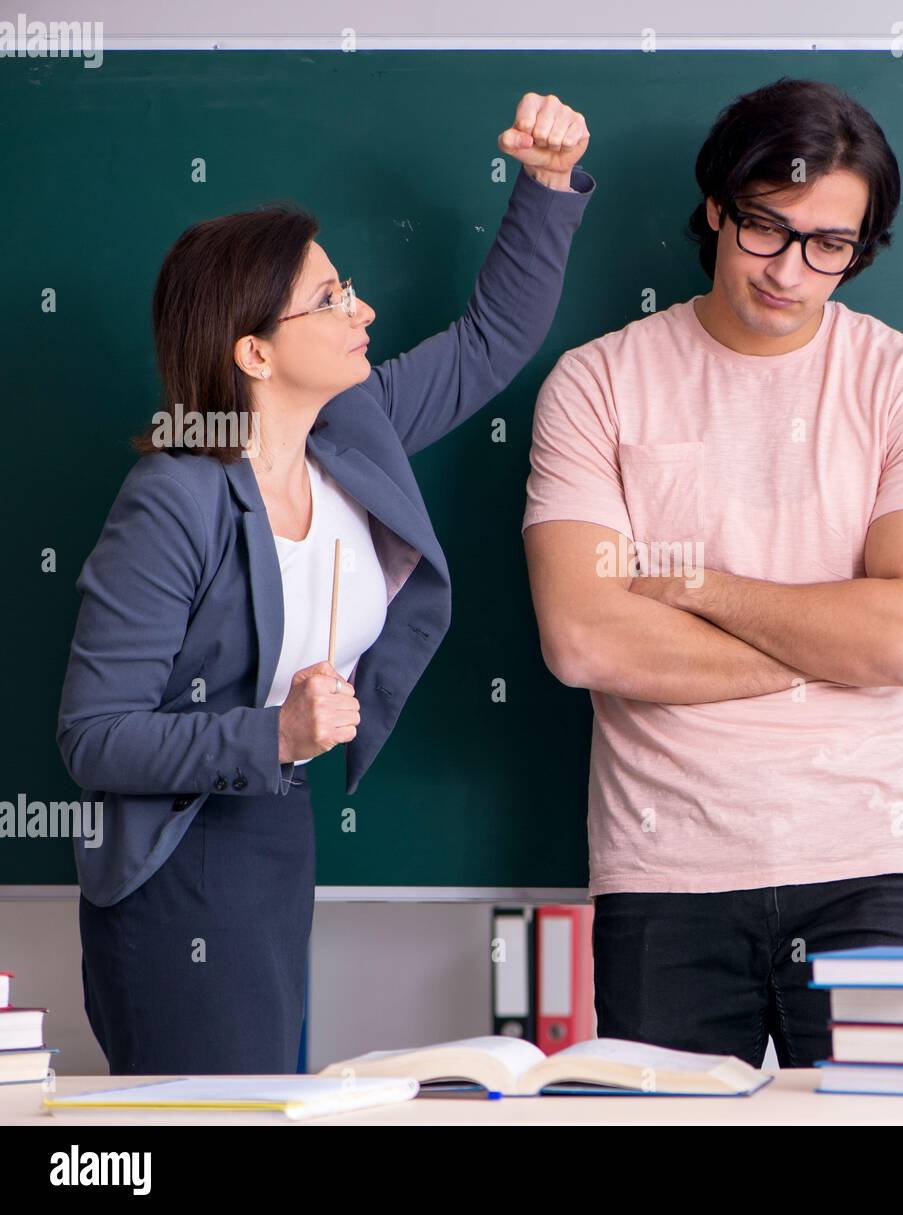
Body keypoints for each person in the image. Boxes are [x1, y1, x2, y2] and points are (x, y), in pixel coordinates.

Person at [57, 92, 594, 1075]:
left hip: (275, 830)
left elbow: (489, 343)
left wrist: (546, 182)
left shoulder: (354, 433)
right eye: (332, 299)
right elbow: (92, 736)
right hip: (180, 860)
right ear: (253, 352)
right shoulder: (173, 496)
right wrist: (274, 734)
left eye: (348, 289)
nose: (365, 311)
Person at [521, 78, 903, 1068]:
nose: (792, 270)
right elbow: (582, 639)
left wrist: (697, 587)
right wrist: (830, 641)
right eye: (767, 230)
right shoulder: (597, 383)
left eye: (831, 246)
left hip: (872, 865)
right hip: (662, 872)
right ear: (716, 210)